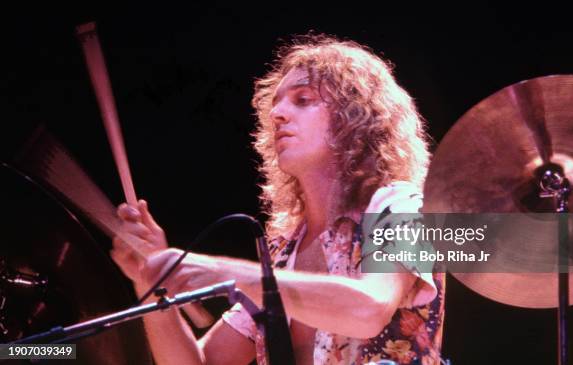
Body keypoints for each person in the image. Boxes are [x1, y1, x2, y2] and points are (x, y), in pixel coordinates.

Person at [110, 34, 445, 365]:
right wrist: (152, 285)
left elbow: (371, 308)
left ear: (355, 118)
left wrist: (220, 271)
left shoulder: (399, 205)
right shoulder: (283, 254)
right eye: (277, 104)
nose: (278, 114)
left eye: (302, 99)